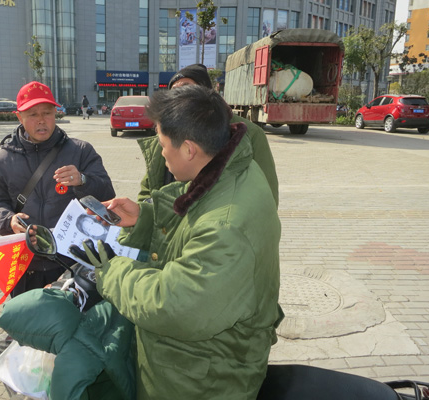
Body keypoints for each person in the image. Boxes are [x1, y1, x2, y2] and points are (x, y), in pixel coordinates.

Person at [81, 85, 283, 399]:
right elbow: (195, 218)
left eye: (162, 144)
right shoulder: (232, 168)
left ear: (189, 149)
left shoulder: (226, 228)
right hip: (196, 363)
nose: (161, 153)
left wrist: (111, 272)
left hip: (202, 379)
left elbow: (173, 305)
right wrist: (145, 219)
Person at [0, 81, 115, 296]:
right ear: (19, 117)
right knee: (27, 315)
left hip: (72, 262)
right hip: (25, 264)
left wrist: (83, 180)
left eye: (47, 113)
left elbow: (107, 195)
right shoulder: (2, 160)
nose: (41, 120)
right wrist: (8, 220)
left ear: (56, 113)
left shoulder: (81, 151)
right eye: (33, 114)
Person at [137, 63, 279, 207]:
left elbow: (267, 194)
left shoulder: (249, 133)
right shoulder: (167, 135)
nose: (180, 96)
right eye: (175, 92)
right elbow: (150, 185)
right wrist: (143, 211)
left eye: (187, 88)